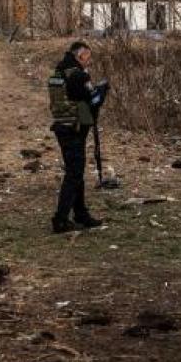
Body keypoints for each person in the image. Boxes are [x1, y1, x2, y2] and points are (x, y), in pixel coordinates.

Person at [47, 41, 106, 233]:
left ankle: (81, 214)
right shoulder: (78, 75)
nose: (88, 61)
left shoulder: (58, 73)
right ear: (80, 55)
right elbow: (93, 100)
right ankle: (61, 219)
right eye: (87, 56)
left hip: (62, 126)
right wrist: (103, 90)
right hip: (74, 128)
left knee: (76, 172)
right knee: (74, 174)